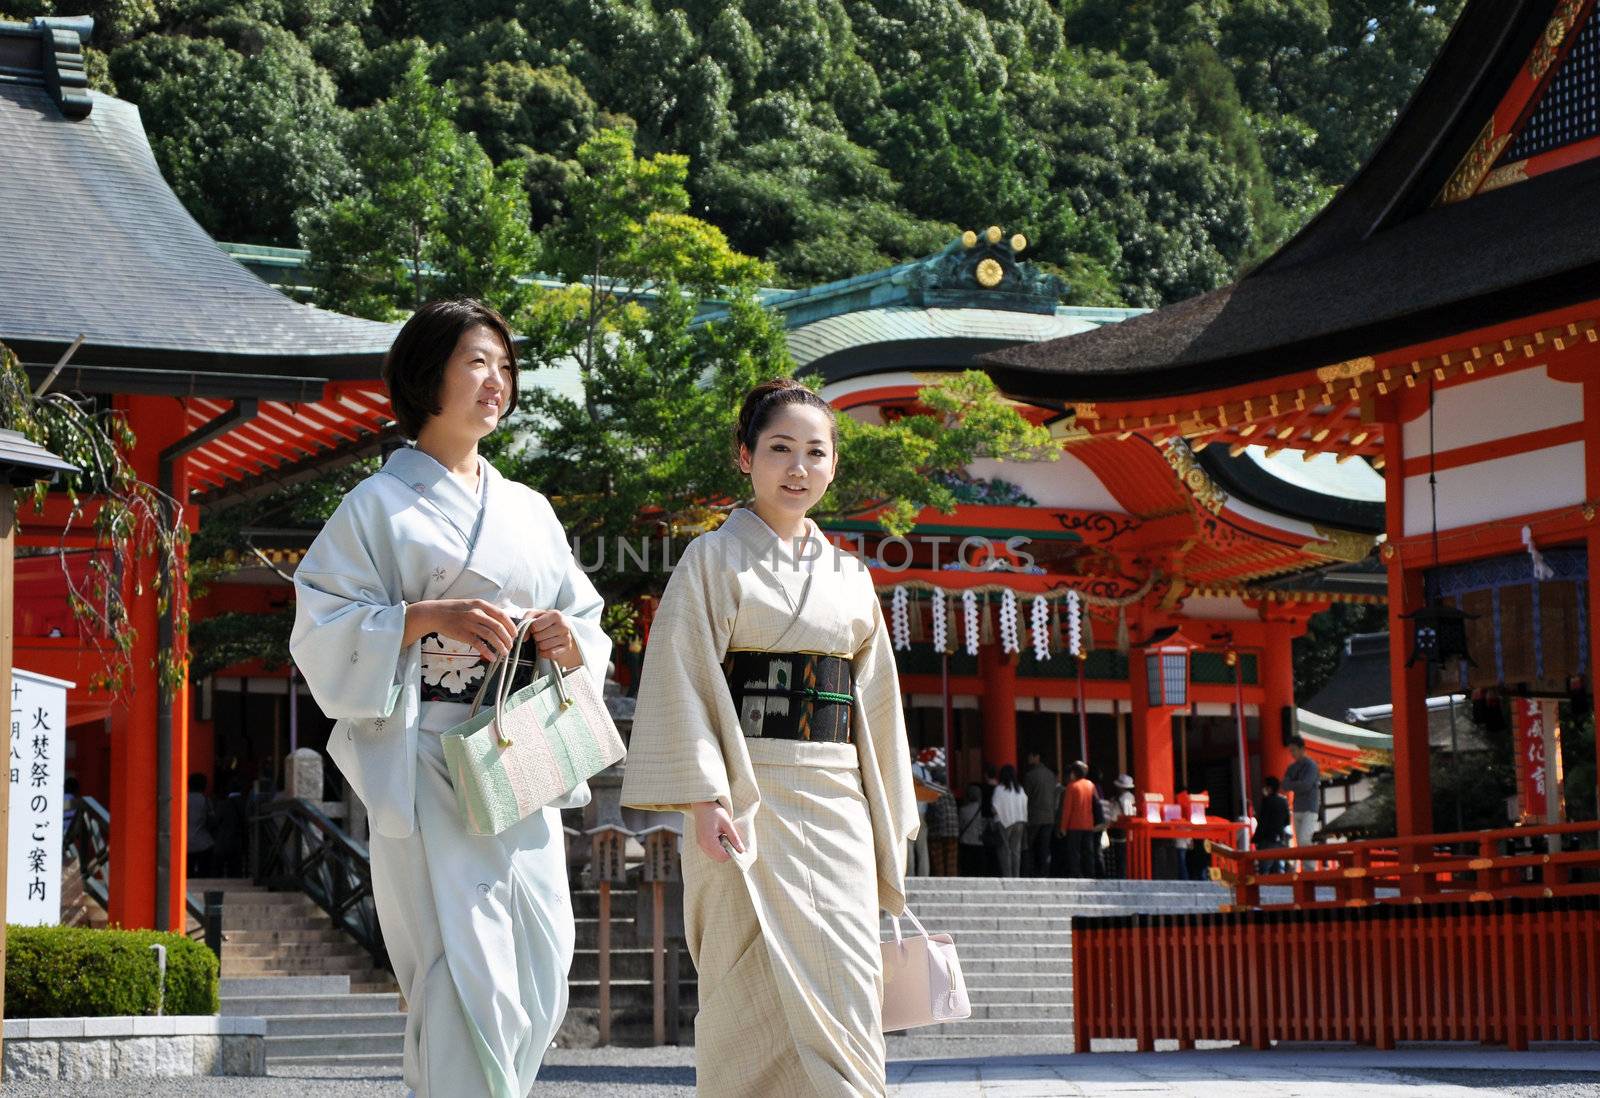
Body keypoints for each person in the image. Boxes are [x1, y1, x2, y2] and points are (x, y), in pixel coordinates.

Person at [290, 299, 611, 1098]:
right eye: (477, 362)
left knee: (542, 958)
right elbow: (321, 622)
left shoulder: (531, 511)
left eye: (506, 367)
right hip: (429, 748)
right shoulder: (378, 505)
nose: (496, 382)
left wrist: (570, 640)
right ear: (427, 374)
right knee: (460, 963)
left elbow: (589, 617)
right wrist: (424, 618)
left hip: (523, 742)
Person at [619, 378, 917, 1097]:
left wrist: (891, 815)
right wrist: (702, 800)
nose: (798, 467)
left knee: (845, 977)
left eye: (816, 452)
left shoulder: (851, 575)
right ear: (744, 456)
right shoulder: (712, 561)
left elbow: (877, 709)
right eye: (780, 448)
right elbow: (682, 678)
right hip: (747, 799)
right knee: (744, 973)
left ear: (833, 467)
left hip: (836, 798)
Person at [1282, 736, 1322, 868]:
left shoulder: (1311, 765)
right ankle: (1307, 869)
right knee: (1300, 842)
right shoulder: (1292, 767)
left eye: (1294, 750)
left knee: (1305, 840)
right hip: (1297, 807)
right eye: (1290, 751)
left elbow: (1305, 784)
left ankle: (1311, 869)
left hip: (1310, 808)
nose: (1292, 754)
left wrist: (1293, 784)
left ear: (1302, 749)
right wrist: (1297, 784)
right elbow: (1284, 785)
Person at [1059, 761, 1098, 878]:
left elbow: (1067, 809)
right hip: (1088, 824)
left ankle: (1075, 874)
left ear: (1073, 773)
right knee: (1088, 851)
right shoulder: (1091, 785)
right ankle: (1090, 873)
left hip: (1074, 825)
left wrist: (1063, 827)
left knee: (1074, 852)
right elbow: (1096, 803)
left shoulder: (1071, 786)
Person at [1022, 752, 1057, 876]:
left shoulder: (1030, 776)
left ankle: (1029, 872)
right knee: (1044, 847)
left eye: (1030, 756)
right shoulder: (1051, 775)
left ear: (1036, 757)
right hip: (1049, 817)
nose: (1028, 758)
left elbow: (1025, 797)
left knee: (1029, 846)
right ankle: (1044, 873)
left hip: (1034, 816)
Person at [991, 764, 1028, 878]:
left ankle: (1007, 876)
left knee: (1004, 850)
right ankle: (1016, 876)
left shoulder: (999, 789)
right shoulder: (1020, 789)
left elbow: (994, 808)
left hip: (1004, 821)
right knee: (1016, 851)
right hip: (1020, 821)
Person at [1256, 776, 1291, 874]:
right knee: (1279, 870)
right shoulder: (1283, 801)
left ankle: (1264, 889)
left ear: (1269, 788)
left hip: (1267, 840)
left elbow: (1263, 821)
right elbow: (1287, 821)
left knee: (1264, 869)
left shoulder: (1267, 801)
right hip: (1280, 839)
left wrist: (1256, 838)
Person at [926, 776, 960, 876]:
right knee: (951, 860)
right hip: (953, 830)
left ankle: (940, 879)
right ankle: (952, 879)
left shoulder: (934, 793)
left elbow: (934, 812)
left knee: (938, 861)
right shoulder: (950, 793)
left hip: (938, 831)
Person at [1105, 773, 1136, 879]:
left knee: (1120, 856)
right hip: (1123, 830)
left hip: (1120, 830)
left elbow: (1127, 814)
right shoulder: (1130, 797)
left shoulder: (1124, 798)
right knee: (1122, 856)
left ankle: (1121, 877)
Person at [907, 751, 932, 877]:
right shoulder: (926, 773)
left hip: (910, 812)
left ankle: (910, 874)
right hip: (923, 812)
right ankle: (924, 874)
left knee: (909, 845)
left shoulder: (908, 770)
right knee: (923, 848)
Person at [186, 774, 215, 877]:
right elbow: (211, 820)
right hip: (203, 842)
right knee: (204, 872)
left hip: (185, 843)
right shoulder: (206, 800)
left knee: (187, 874)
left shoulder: (183, 799)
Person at [957, 781, 988, 877]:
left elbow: (960, 826)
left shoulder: (962, 810)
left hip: (965, 843)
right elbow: (985, 826)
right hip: (978, 843)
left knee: (967, 870)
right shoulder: (982, 811)